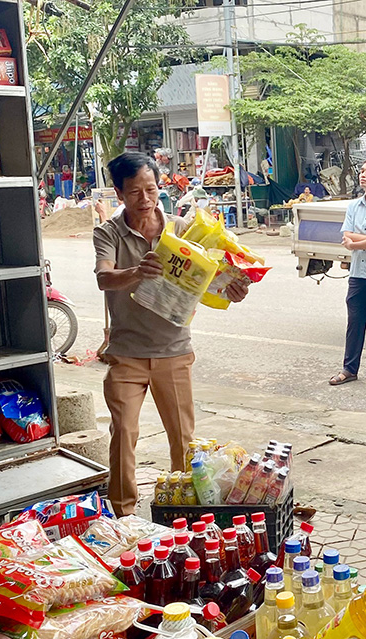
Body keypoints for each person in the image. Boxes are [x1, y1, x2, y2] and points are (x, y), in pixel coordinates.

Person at [94, 152, 249, 516]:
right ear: (119, 193)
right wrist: (136, 272)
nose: (145, 199)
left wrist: (233, 289)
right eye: (134, 192)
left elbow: (213, 277)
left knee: (184, 442)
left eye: (151, 189)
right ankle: (124, 515)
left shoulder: (182, 229)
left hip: (174, 351)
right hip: (126, 354)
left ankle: (186, 513)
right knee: (124, 436)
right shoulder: (109, 232)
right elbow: (104, 277)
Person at [331, 160, 366, 387]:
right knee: (355, 322)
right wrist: (365, 241)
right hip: (358, 273)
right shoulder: (354, 206)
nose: (363, 175)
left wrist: (356, 243)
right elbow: (346, 234)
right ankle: (349, 368)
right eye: (361, 171)